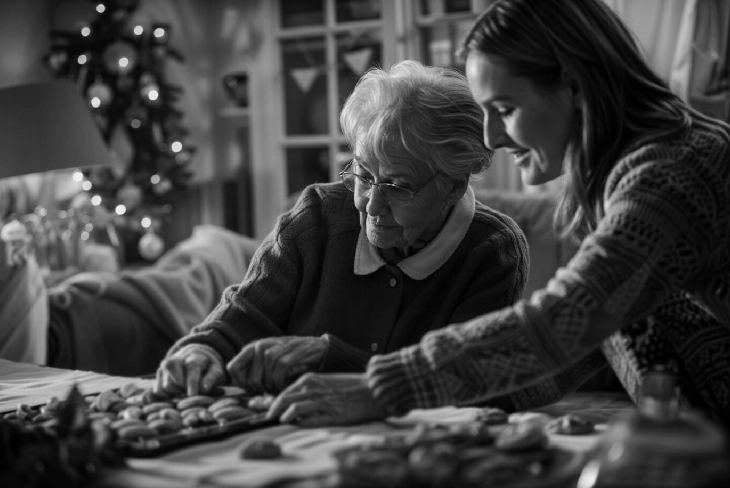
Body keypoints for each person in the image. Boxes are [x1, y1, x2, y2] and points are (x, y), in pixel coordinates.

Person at [269, 0, 730, 427]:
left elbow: (565, 322)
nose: (491, 139)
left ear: (574, 85)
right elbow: (583, 343)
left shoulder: (668, 176)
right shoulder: (643, 164)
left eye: (505, 109)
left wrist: (380, 388)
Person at [153, 60, 529, 397]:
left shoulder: (492, 250)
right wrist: (203, 350)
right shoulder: (318, 216)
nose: (371, 204)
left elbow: (464, 381)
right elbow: (244, 315)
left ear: (453, 185)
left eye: (397, 186)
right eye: (364, 175)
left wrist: (331, 358)